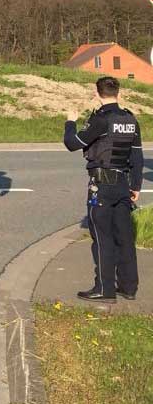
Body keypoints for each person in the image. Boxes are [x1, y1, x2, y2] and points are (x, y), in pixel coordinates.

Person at [64, 76, 142, 303]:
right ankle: (128, 287)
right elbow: (137, 156)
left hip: (102, 185)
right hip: (123, 184)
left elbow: (72, 143)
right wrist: (135, 185)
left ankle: (104, 288)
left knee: (102, 236)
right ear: (119, 93)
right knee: (124, 237)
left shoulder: (101, 120)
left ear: (96, 93)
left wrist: (70, 122)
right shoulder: (130, 119)